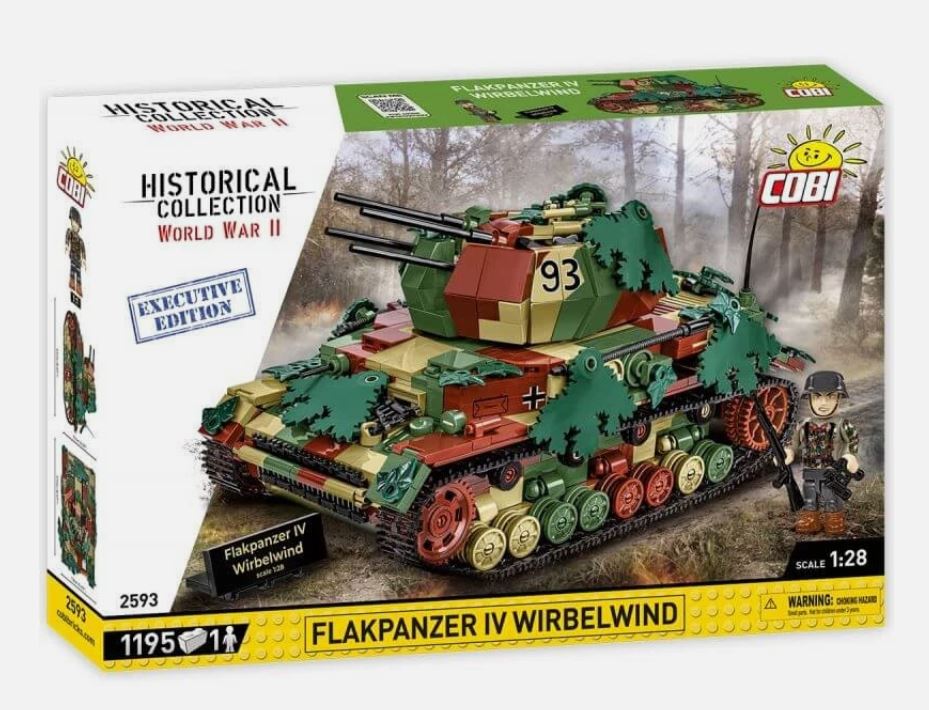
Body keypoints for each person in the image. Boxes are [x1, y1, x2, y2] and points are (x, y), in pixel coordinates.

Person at [784, 371, 860, 535]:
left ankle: (834, 518)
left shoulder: (842, 424)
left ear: (838, 399)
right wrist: (788, 452)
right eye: (817, 397)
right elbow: (793, 442)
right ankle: (811, 518)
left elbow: (853, 440)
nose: (823, 403)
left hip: (832, 472)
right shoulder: (803, 424)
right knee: (810, 496)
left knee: (831, 496)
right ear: (810, 399)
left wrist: (850, 456)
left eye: (830, 397)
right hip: (809, 471)